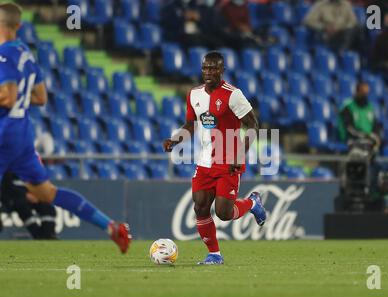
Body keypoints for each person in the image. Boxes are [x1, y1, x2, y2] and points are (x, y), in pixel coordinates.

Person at [0, 3, 131, 252]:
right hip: (23, 133)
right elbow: (40, 97)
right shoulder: (25, 52)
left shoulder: (4, 54)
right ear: (19, 25)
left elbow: (7, 96)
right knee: (47, 193)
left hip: (4, 132)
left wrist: (11, 98)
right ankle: (111, 227)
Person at [163, 51, 266, 265]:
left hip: (229, 161)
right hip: (204, 162)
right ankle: (215, 255)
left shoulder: (233, 94)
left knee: (224, 213)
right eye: (205, 68)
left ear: (222, 70)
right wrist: (175, 140)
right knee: (200, 206)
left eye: (213, 68)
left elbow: (253, 125)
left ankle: (252, 203)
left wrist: (239, 154)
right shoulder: (194, 94)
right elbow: (191, 125)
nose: (208, 72)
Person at [337, 81, 381, 149]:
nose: (365, 95)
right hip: (351, 139)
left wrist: (376, 136)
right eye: (363, 93)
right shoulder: (348, 107)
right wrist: (364, 135)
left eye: (366, 93)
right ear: (357, 92)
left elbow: (375, 126)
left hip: (367, 139)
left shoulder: (370, 107)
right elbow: (348, 128)